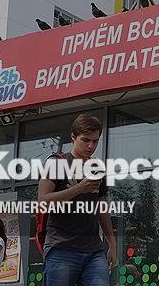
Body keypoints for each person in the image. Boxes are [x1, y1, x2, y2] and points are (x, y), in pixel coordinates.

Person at [39, 114, 117, 286]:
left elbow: (101, 208)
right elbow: (43, 201)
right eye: (85, 140)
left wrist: (112, 244)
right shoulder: (56, 163)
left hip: (94, 250)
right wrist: (79, 188)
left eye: (95, 141)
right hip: (61, 247)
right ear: (73, 137)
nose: (91, 146)